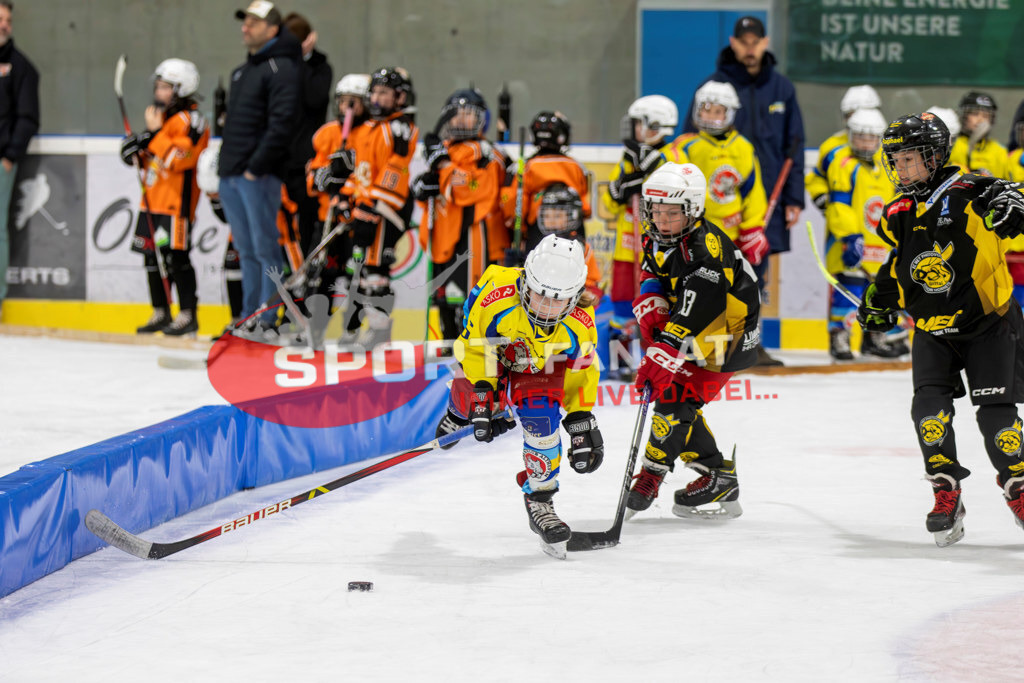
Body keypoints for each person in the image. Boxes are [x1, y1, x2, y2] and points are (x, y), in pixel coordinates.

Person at [862, 111, 1024, 546]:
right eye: (895, 160)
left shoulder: (970, 188)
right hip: (933, 331)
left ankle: (1018, 488)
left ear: (935, 157)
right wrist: (878, 299)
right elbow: (898, 266)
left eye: (910, 158)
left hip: (988, 325)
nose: (900, 168)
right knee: (928, 415)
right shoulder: (897, 211)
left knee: (998, 421)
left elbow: (1011, 192)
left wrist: (1015, 200)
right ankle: (945, 491)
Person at [433, 234, 603, 553]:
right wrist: (484, 397)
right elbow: (472, 347)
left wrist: (581, 417)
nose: (545, 308)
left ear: (575, 297)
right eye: (539, 295)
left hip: (539, 366)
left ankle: (539, 499)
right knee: (471, 399)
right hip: (493, 355)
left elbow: (581, 372)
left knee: (542, 420)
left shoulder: (581, 324)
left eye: (557, 300)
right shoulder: (494, 293)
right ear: (525, 280)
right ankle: (456, 414)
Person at [625, 162, 760, 520]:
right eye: (655, 211)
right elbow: (651, 271)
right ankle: (719, 475)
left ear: (693, 210)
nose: (662, 221)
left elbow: (697, 310)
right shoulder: (657, 236)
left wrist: (664, 348)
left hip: (727, 337)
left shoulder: (705, 251)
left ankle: (651, 476)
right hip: (698, 329)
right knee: (677, 402)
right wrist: (651, 299)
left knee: (674, 400)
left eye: (672, 213)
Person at [684, 15, 805, 366]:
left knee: (754, 273)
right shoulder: (713, 86)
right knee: (706, 271)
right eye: (744, 41)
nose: (750, 48)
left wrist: (793, 197)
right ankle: (707, 342)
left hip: (762, 203)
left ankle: (750, 343)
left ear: (765, 42)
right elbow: (689, 145)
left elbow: (794, 144)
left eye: (756, 41)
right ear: (734, 44)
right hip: (714, 208)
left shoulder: (782, 88)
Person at [218, 1, 300, 332]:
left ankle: (267, 318)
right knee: (245, 249)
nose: (245, 26)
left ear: (273, 29)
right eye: (245, 21)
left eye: (254, 21)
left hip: (258, 176)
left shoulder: (282, 69)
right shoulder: (243, 71)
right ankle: (247, 316)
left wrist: (256, 167)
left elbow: (282, 124)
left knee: (266, 248)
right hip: (232, 174)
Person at [119, 58, 210, 336]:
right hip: (152, 201)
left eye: (165, 87)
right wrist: (134, 151)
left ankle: (187, 314)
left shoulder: (191, 121)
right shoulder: (164, 119)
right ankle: (160, 311)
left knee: (176, 258)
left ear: (181, 89)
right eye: (157, 86)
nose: (158, 93)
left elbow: (177, 159)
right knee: (151, 256)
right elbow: (153, 158)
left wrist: (155, 134)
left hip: (175, 204)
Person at [413, 88, 509, 341]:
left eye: (468, 114)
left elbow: (470, 190)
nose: (461, 119)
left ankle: (472, 350)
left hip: (476, 234)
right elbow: (441, 191)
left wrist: (443, 166)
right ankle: (447, 344)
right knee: (444, 296)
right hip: (446, 233)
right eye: (456, 113)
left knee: (472, 297)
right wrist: (424, 189)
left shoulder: (487, 152)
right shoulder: (446, 149)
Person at [339, 66, 419, 346]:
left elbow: (394, 170)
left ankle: (380, 330)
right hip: (367, 208)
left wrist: (372, 206)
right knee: (360, 270)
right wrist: (347, 198)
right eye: (374, 91)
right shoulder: (370, 128)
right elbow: (362, 171)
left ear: (400, 97)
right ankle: (356, 328)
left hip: (387, 210)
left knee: (376, 271)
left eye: (384, 92)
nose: (376, 98)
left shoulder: (400, 127)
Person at [601, 95, 677, 380]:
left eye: (637, 123)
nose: (632, 129)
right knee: (622, 303)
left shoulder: (671, 157)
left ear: (653, 126)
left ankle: (656, 358)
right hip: (625, 248)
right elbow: (610, 204)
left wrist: (649, 180)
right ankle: (620, 362)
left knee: (655, 302)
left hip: (656, 249)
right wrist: (621, 186)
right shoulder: (628, 158)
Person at [820, 107, 904, 360]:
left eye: (871, 137)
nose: (865, 143)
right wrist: (849, 237)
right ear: (850, 136)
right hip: (851, 243)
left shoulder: (886, 165)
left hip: (879, 246)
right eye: (860, 137)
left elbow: (893, 203)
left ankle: (874, 338)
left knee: (879, 293)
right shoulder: (842, 164)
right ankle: (840, 338)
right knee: (849, 291)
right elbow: (839, 204)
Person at [667, 81, 769, 271]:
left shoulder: (743, 147)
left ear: (729, 113)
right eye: (706, 110)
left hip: (733, 234)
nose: (711, 116)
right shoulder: (686, 146)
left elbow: (753, 192)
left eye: (717, 111)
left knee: (734, 291)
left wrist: (752, 230)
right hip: (697, 233)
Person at [307, 73, 371, 318]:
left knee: (356, 275)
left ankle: (353, 328)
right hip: (329, 217)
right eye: (344, 101)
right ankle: (314, 327)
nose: (348, 108)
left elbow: (370, 174)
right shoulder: (327, 133)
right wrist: (326, 177)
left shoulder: (370, 133)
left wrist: (349, 179)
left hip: (356, 218)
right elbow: (313, 176)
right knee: (321, 273)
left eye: (354, 102)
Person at [502, 111, 590, 265]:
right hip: (571, 234)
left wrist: (518, 230)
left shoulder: (525, 167)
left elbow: (514, 207)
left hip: (537, 233)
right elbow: (585, 207)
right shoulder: (576, 167)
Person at [281, 12, 332, 259]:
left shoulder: (320, 67)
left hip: (308, 160)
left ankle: (308, 274)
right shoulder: (278, 66)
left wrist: (300, 59)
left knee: (307, 222)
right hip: (280, 159)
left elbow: (315, 98)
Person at [0, 0, 38, 313]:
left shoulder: (20, 66)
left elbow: (27, 117)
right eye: (0, 19)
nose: (4, 25)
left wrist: (10, 155)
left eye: (8, 20)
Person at [806, 84, 881, 213]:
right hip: (840, 223)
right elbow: (817, 176)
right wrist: (820, 194)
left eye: (855, 114)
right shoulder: (832, 147)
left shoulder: (885, 147)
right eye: (848, 115)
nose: (851, 120)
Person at [948, 91, 1009, 179]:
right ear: (964, 116)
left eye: (985, 116)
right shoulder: (952, 144)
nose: (980, 120)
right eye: (974, 114)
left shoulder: (1000, 151)